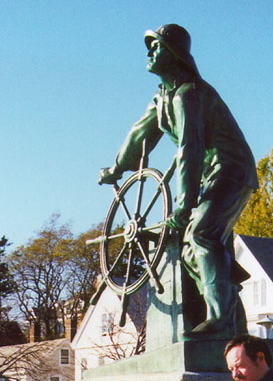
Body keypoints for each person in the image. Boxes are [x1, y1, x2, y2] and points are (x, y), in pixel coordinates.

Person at [99, 24, 258, 339]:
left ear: (174, 54)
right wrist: (117, 168)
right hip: (211, 174)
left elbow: (190, 149)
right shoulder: (163, 98)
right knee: (190, 249)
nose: (150, 52)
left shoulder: (189, 94)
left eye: (156, 47)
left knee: (202, 235)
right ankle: (235, 325)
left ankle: (220, 322)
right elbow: (140, 133)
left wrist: (182, 208)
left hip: (231, 169)